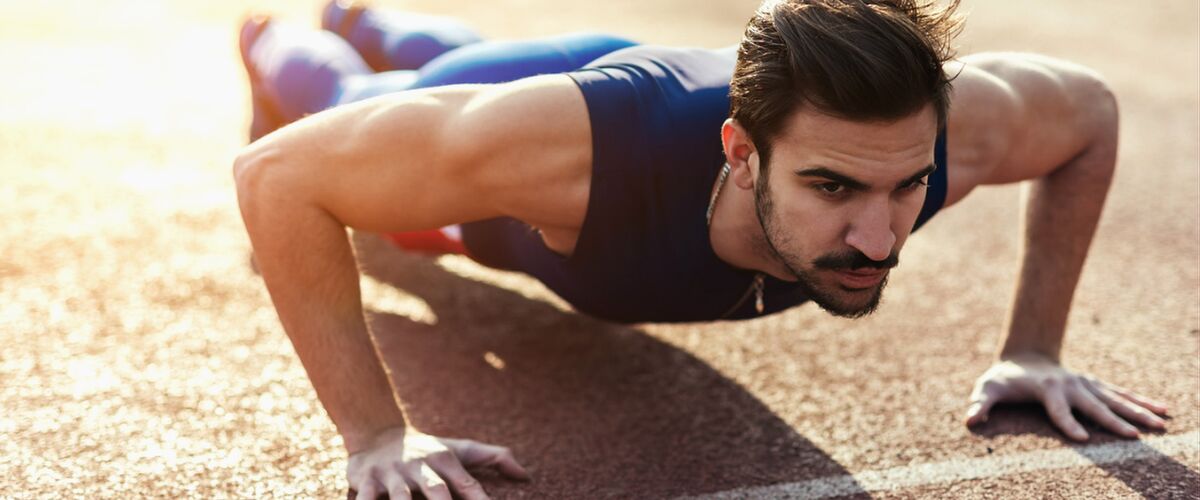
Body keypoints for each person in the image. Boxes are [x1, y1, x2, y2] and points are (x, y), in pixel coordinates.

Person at [232, 1, 1171, 498]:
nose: (881, 240)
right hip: (552, 114)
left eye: (908, 184)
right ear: (741, 152)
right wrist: (379, 434)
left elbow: (1087, 108)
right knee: (356, 117)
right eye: (833, 189)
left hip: (640, 85)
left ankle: (365, 11)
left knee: (429, 73)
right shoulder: (576, 162)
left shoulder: (949, 132)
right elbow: (276, 178)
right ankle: (281, 36)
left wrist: (1035, 345)